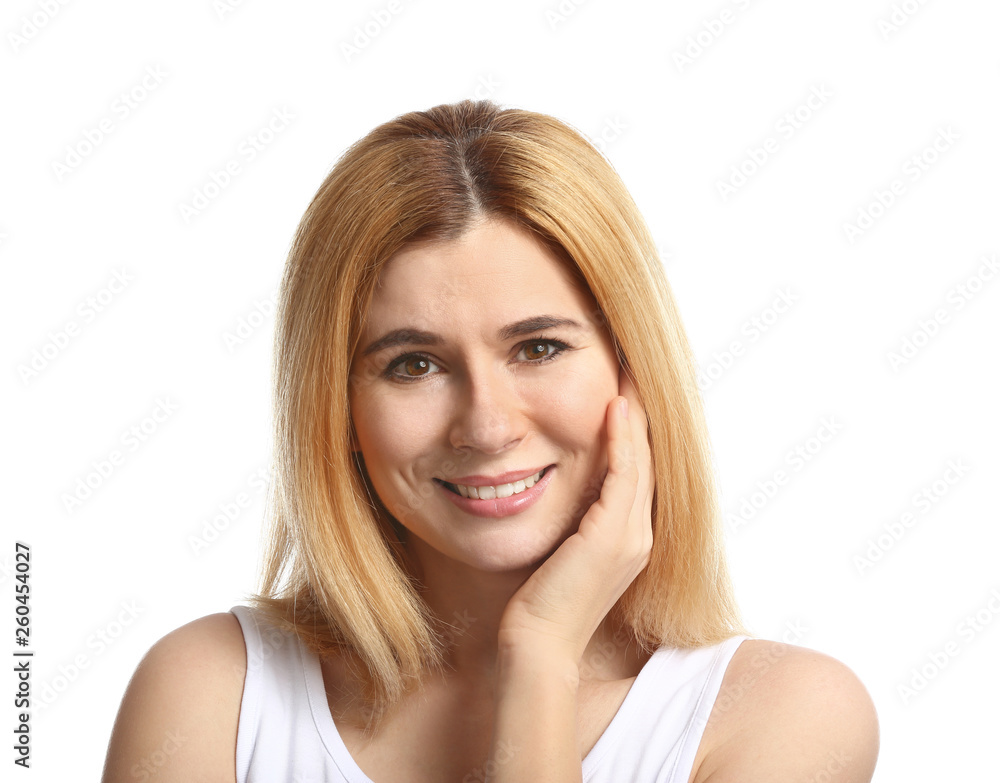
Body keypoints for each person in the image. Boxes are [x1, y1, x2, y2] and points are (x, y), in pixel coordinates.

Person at [101, 99, 879, 782]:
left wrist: (540, 659)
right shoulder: (210, 693)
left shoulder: (783, 717)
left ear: (633, 371)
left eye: (538, 347)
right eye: (413, 364)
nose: (487, 425)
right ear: (335, 409)